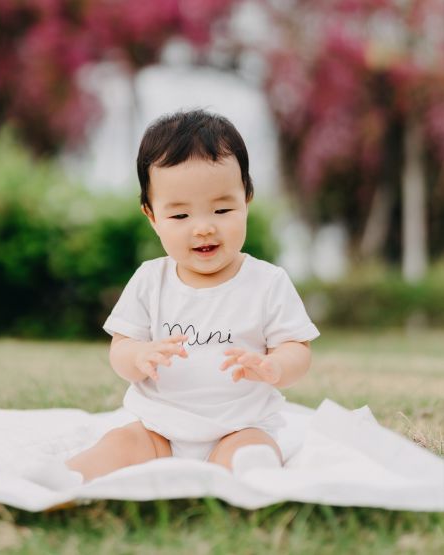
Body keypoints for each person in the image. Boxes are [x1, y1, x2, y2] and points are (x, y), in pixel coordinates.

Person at [65, 109, 320, 483]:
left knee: (252, 451)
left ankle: (245, 480)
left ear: (246, 199)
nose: (203, 228)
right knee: (119, 443)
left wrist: (276, 366)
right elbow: (120, 350)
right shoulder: (151, 280)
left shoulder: (267, 281)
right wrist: (140, 355)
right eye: (180, 216)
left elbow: (297, 348)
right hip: (159, 427)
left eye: (222, 209)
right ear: (151, 216)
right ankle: (65, 478)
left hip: (241, 424)